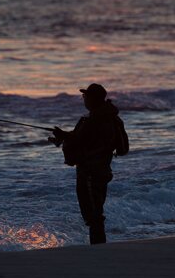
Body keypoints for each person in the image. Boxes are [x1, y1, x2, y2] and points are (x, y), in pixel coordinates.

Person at [50, 83, 127, 245]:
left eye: (85, 97)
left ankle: (99, 249)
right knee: (94, 210)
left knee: (93, 213)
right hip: (102, 169)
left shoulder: (95, 119)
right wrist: (64, 136)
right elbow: (86, 139)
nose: (83, 99)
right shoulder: (109, 117)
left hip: (90, 171)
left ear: (93, 99)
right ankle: (98, 247)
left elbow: (81, 140)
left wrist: (63, 136)